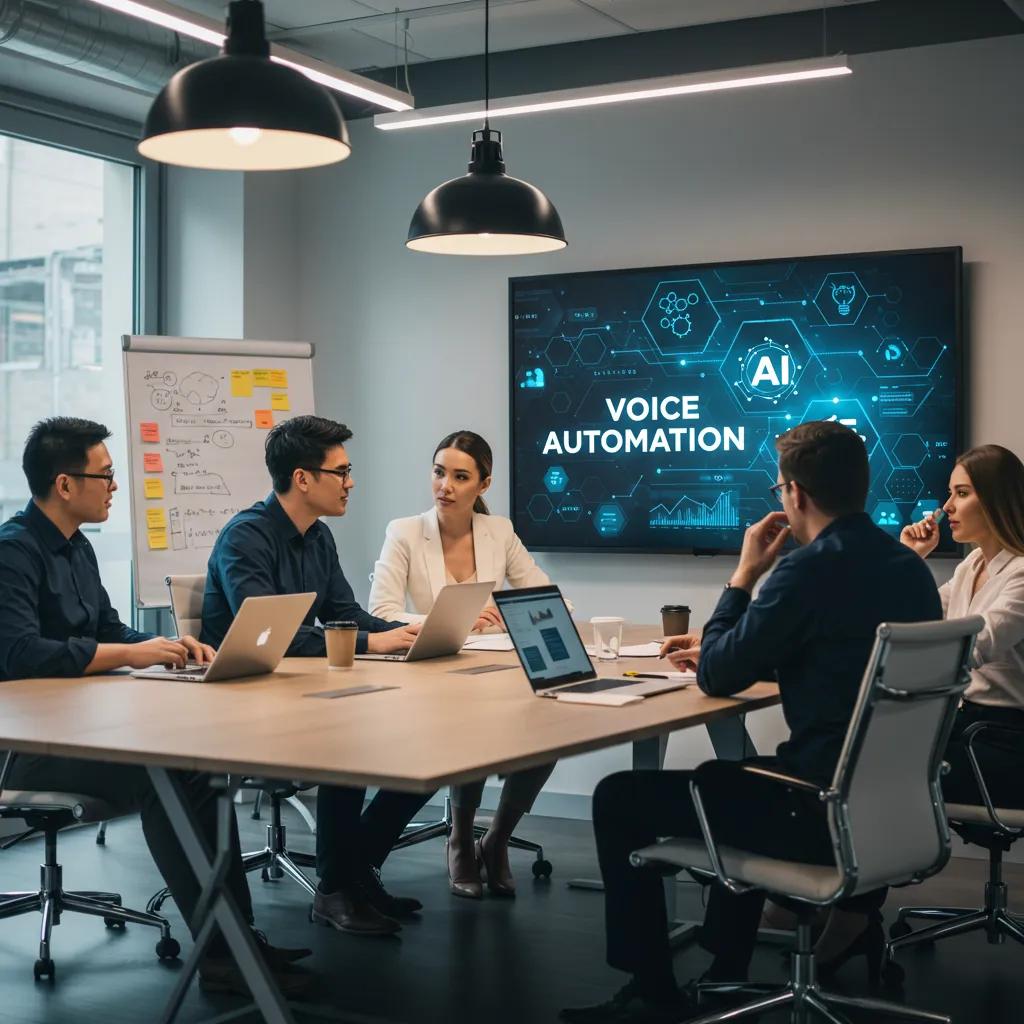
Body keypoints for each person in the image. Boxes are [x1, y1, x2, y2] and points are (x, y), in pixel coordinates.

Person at [561, 420, 942, 1024]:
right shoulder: (910, 570)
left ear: (794, 494)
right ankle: (725, 973)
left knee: (620, 798)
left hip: (815, 811)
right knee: (728, 776)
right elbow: (834, 659)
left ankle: (652, 990)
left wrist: (744, 575)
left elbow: (715, 674)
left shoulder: (804, 571)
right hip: (889, 809)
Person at [0, 417, 310, 997]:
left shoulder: (78, 550)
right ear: (65, 485)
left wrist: (162, 647)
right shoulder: (12, 553)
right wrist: (127, 652)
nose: (115, 487)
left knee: (196, 760)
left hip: (84, 731)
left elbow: (108, 628)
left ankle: (234, 937)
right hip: (33, 750)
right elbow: (19, 653)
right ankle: (224, 952)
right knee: (168, 767)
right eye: (106, 476)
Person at [202, 414, 430, 937]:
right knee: (348, 744)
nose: (351, 483)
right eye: (342, 471)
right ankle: (336, 889)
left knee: (427, 750)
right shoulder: (245, 537)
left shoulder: (318, 537)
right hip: (239, 704)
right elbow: (271, 636)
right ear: (302, 478)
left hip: (299, 690)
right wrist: (373, 643)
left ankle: (352, 873)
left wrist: (408, 630)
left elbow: (347, 613)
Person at [369, 430, 556, 899]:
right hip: (429, 673)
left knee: (555, 725)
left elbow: (544, 597)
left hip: (491, 671)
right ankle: (459, 837)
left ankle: (496, 837)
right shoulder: (405, 531)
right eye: (438, 473)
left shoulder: (499, 531)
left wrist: (512, 615)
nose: (444, 486)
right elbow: (382, 612)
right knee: (471, 726)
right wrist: (459, 618)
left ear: (483, 484)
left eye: (459, 476)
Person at [901, 444, 1024, 818]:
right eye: (950, 493)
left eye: (962, 493)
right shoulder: (971, 565)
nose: (946, 507)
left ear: (996, 500)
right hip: (964, 726)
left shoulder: (1020, 573)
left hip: (1004, 739)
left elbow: (973, 648)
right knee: (863, 754)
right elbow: (912, 621)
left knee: (879, 770)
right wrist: (910, 559)